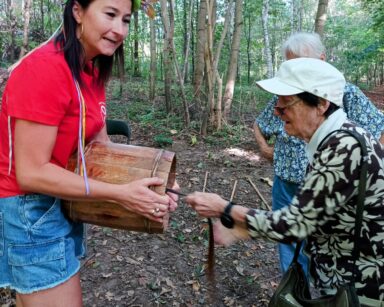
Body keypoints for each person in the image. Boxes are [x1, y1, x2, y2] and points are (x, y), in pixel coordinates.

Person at [0, 0, 178, 306]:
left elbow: (101, 148)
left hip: (65, 197)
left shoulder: (90, 70)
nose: (119, 29)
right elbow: (31, 173)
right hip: (30, 208)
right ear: (78, 11)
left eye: (126, 20)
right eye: (110, 14)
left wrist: (155, 185)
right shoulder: (45, 69)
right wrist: (120, 193)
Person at [186, 58, 384, 306]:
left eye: (285, 104)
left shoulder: (344, 148)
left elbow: (295, 224)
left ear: (321, 104)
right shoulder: (335, 140)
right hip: (344, 283)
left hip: (363, 290)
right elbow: (313, 216)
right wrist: (242, 229)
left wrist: (226, 209)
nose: (277, 112)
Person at [253, 32, 384, 275]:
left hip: (357, 272)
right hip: (286, 179)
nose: (279, 110)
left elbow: (379, 128)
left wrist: (227, 213)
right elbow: (262, 123)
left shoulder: (344, 135)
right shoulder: (285, 100)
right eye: (291, 64)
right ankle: (295, 290)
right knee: (294, 250)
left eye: (302, 63)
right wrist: (265, 148)